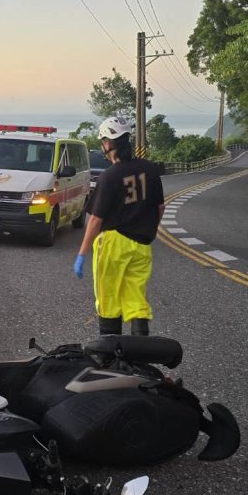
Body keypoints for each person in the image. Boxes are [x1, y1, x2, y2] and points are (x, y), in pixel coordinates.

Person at [73, 117, 165, 336]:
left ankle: (110, 355)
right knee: (136, 298)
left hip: (114, 243)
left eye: (103, 141)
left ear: (108, 144)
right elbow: (160, 208)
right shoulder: (150, 170)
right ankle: (139, 353)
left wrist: (81, 253)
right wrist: (147, 228)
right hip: (142, 245)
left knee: (108, 298)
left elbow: (95, 220)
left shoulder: (110, 176)